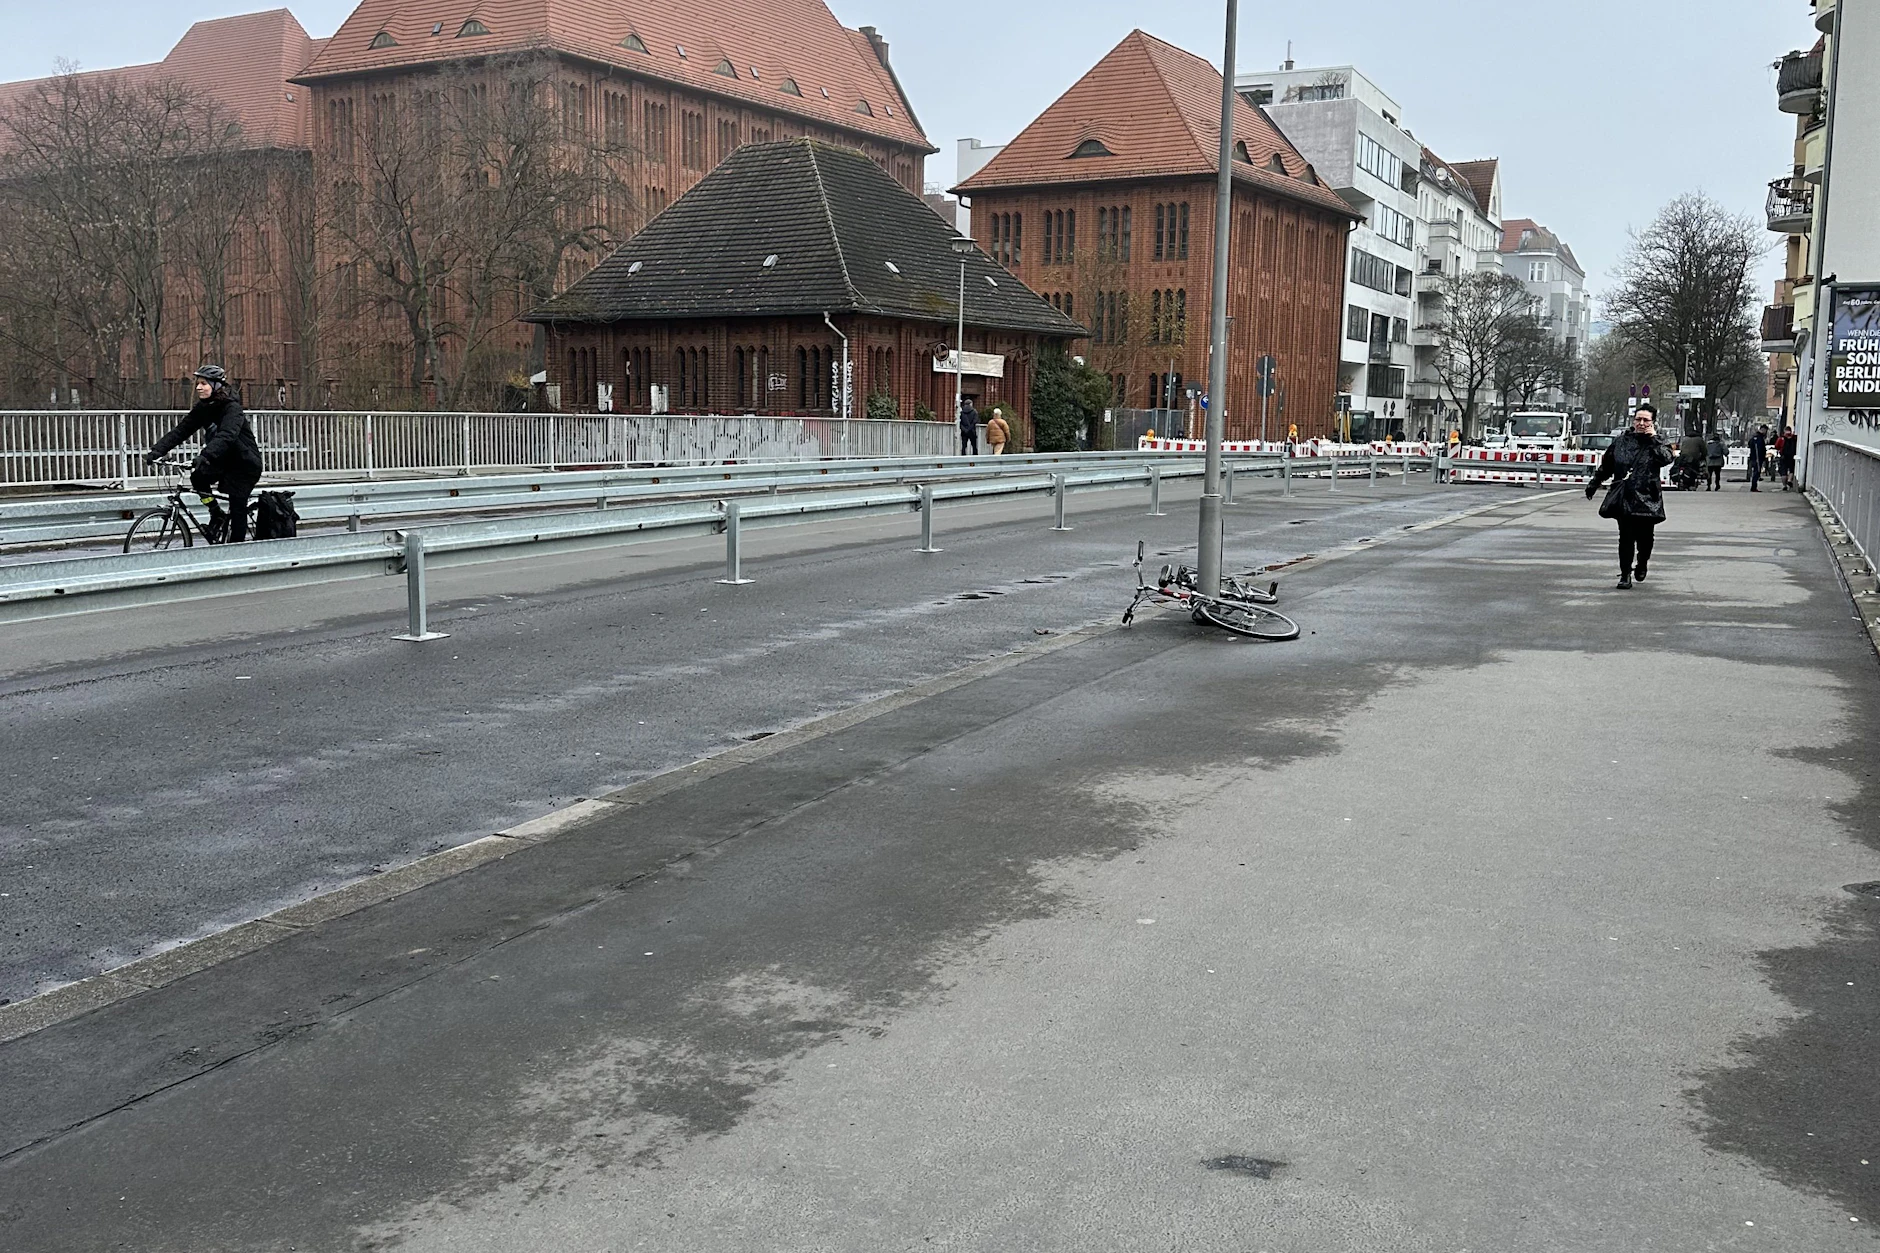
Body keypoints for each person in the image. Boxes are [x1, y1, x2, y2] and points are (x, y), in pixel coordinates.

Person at [145, 365, 263, 542]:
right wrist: (157, 451)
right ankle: (216, 512)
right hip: (223, 460)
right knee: (198, 478)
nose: (198, 387)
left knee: (237, 506)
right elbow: (182, 430)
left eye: (203, 384)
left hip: (244, 464)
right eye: (198, 383)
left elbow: (226, 436)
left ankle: (237, 549)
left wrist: (205, 455)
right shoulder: (204, 407)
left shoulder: (232, 409)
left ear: (216, 386)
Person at [1585, 402, 1671, 590]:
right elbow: (1607, 465)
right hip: (1624, 496)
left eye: (1646, 420)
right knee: (1626, 537)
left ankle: (1642, 562)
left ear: (1653, 422)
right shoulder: (1622, 441)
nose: (1641, 423)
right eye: (1638, 419)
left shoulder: (1658, 442)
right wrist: (1594, 484)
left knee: (1646, 538)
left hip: (1648, 496)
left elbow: (1666, 458)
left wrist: (1654, 439)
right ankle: (1625, 574)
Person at [1747, 424, 1768, 492]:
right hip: (1757, 458)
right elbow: (1758, 448)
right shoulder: (1758, 438)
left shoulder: (1757, 437)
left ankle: (1754, 486)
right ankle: (1753, 487)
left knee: (1757, 472)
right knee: (1756, 472)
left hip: (1756, 457)